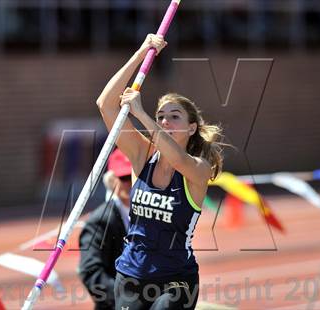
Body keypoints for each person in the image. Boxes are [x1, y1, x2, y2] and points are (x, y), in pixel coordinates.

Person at [96, 34, 224, 310]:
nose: (165, 120)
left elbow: (177, 158)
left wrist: (142, 115)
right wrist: (142, 52)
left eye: (174, 116)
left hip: (176, 280)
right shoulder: (142, 155)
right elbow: (106, 105)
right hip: (131, 274)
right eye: (161, 116)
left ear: (192, 128)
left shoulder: (198, 169)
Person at [78, 148, 132, 310]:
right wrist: (126, 301)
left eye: (136, 176)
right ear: (112, 180)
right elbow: (91, 272)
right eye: (125, 177)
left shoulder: (147, 213)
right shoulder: (100, 220)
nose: (131, 183)